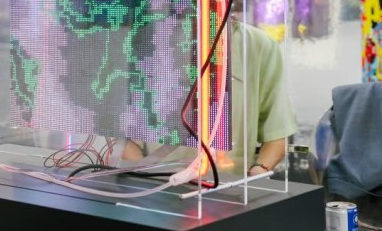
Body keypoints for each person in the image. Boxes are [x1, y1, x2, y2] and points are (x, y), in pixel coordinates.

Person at [121, 19, 297, 179]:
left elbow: (277, 133)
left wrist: (256, 174)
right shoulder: (144, 41)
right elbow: (119, 137)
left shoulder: (257, 45)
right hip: (157, 185)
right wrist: (144, 176)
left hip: (229, 189)